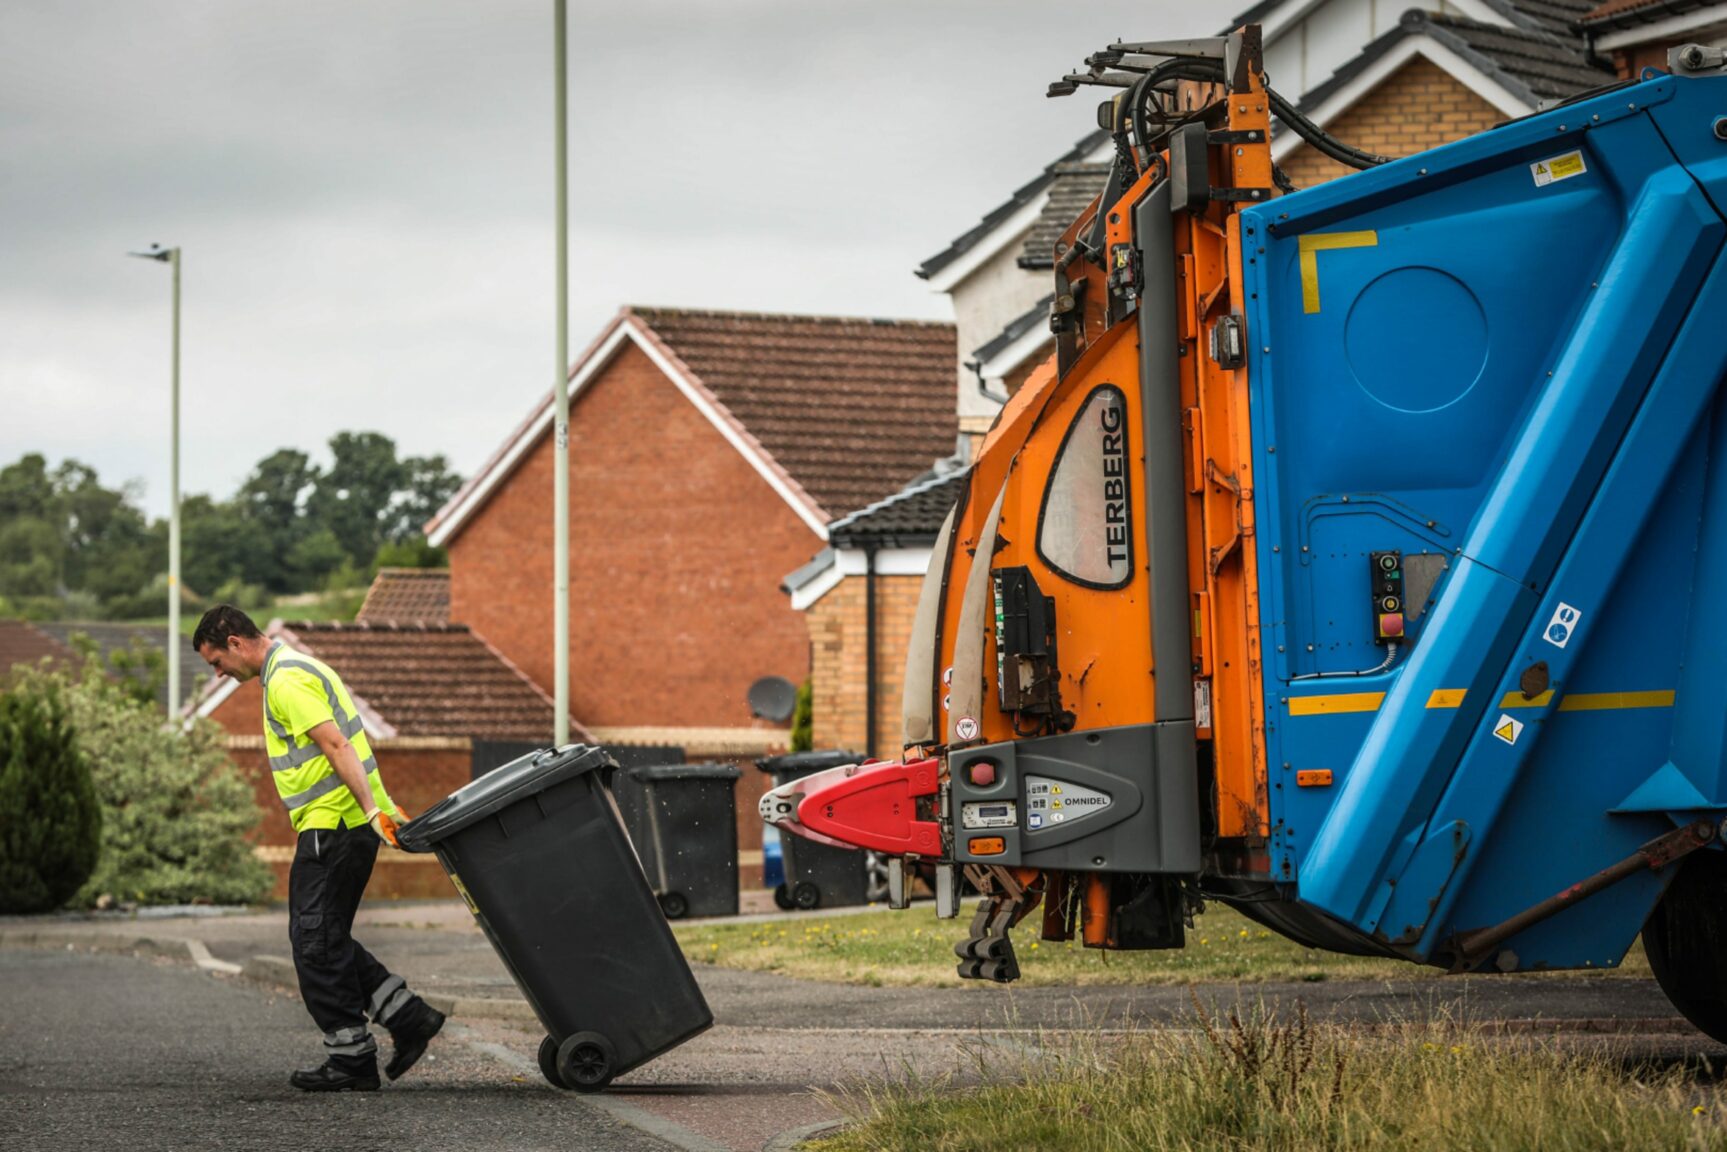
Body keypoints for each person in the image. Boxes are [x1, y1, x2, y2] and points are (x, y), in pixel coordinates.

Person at [193, 605, 444, 1092]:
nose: (219, 673)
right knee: (323, 937)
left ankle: (352, 1059)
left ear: (235, 643)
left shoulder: (287, 680)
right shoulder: (299, 668)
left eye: (216, 662)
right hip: (338, 826)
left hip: (335, 827)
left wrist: (373, 810)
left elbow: (336, 746)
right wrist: (377, 811)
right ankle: (405, 1015)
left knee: (315, 942)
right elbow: (347, 743)